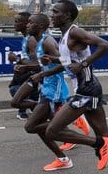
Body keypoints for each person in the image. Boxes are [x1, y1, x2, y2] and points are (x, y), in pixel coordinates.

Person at [43, 0, 108, 173]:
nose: (51, 14)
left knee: (52, 131)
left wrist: (84, 64)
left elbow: (105, 45)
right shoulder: (64, 35)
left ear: (67, 15)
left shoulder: (75, 32)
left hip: (87, 89)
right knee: (104, 132)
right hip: (86, 88)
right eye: (51, 11)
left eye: (55, 11)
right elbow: (71, 61)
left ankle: (99, 144)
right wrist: (54, 60)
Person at [18, 13, 73, 171]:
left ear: (41, 26)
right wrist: (27, 67)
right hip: (46, 88)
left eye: (31, 23)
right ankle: (62, 156)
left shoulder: (48, 41)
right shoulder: (40, 41)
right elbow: (44, 64)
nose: (27, 25)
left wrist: (42, 74)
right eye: (27, 23)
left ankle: (90, 142)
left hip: (54, 90)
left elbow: (64, 64)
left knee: (31, 126)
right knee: (35, 126)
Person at [7, 12, 39, 120]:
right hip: (29, 74)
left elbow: (37, 64)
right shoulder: (26, 38)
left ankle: (35, 107)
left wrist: (17, 59)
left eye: (17, 21)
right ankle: (30, 109)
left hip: (35, 76)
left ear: (26, 23)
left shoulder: (31, 40)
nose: (14, 24)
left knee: (14, 90)